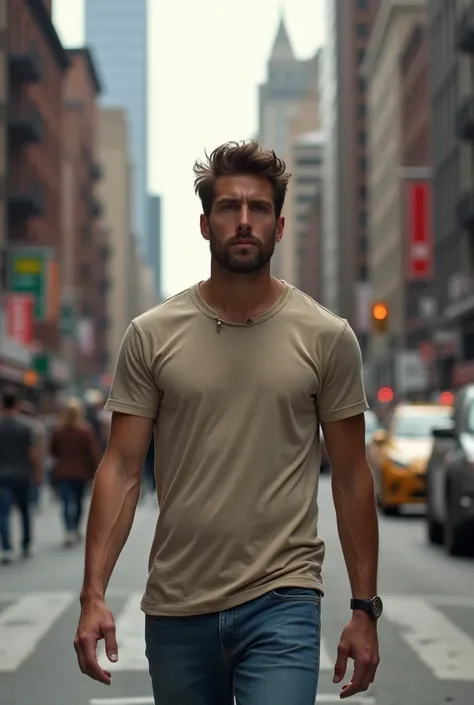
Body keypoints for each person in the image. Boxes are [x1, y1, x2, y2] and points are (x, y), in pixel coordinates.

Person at [74, 140, 381, 703]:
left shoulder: (328, 337)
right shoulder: (151, 334)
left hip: (283, 601)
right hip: (177, 606)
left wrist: (365, 608)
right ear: (204, 223)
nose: (244, 221)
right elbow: (119, 467)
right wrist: (93, 593)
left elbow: (352, 476)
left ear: (279, 225)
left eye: (259, 208)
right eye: (229, 207)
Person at [50, 398, 100, 547]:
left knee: (66, 502)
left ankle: (68, 530)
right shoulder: (85, 431)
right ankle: (76, 528)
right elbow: (92, 453)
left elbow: (53, 451)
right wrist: (94, 472)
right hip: (81, 473)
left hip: (64, 472)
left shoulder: (58, 431)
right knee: (78, 502)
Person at [0, 389, 41, 563]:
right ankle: (26, 544)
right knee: (25, 510)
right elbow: (32, 453)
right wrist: (37, 471)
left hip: (2, 475)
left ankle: (7, 547)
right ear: (16, 405)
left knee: (4, 512)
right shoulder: (26, 427)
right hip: (23, 474)